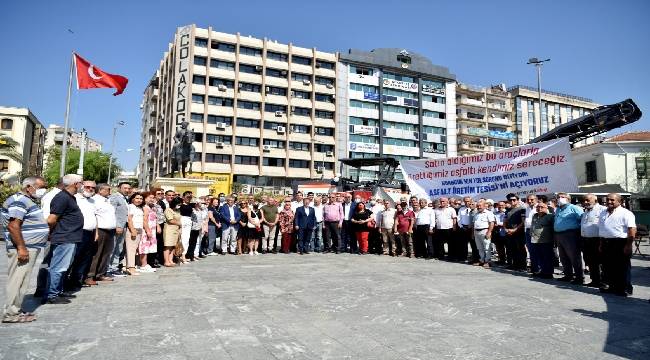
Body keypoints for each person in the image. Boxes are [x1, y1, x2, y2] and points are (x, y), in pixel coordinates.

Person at [1, 176, 48, 323]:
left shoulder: (25, 200)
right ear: (29, 187)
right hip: (23, 247)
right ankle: (11, 314)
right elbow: (13, 226)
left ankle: (15, 309)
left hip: (28, 246)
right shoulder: (18, 201)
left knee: (22, 280)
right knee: (18, 280)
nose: (42, 190)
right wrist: (21, 248)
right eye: (40, 187)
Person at [45, 174, 84, 304]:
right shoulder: (62, 197)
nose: (82, 185)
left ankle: (58, 291)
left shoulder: (69, 197)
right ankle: (52, 294)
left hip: (70, 237)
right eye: (81, 183)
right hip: (64, 237)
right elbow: (51, 219)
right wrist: (52, 233)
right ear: (75, 184)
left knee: (64, 267)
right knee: (58, 267)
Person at [599, 193, 636, 296]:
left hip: (620, 243)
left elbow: (632, 229)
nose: (609, 202)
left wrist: (628, 245)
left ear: (620, 202)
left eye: (612, 200)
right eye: (608, 200)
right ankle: (612, 287)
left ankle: (625, 288)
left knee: (622, 267)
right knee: (608, 266)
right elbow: (602, 229)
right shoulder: (603, 213)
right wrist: (601, 244)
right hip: (606, 242)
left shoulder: (626, 213)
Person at [68, 181, 98, 289]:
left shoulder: (93, 201)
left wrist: (96, 232)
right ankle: (68, 282)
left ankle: (77, 281)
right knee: (75, 257)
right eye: (87, 187)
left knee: (86, 258)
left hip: (91, 232)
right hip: (79, 232)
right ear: (82, 187)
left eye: (93, 188)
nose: (90, 189)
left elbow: (95, 217)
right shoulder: (75, 198)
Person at [87, 183, 116, 283]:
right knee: (97, 253)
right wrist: (96, 232)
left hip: (110, 230)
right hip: (100, 230)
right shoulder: (94, 200)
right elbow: (94, 216)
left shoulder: (107, 201)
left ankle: (101, 273)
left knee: (106, 253)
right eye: (108, 190)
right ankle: (90, 275)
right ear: (100, 190)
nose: (110, 192)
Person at [553, 192, 585, 284]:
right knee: (563, 257)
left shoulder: (574, 208)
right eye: (558, 197)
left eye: (562, 197)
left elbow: (582, 220)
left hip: (571, 234)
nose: (560, 198)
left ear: (568, 199)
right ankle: (568, 275)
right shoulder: (558, 209)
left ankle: (579, 277)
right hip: (559, 235)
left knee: (574, 256)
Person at [580, 193, 606, 287]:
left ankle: (604, 281)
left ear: (595, 200)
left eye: (587, 200)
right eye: (584, 200)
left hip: (597, 240)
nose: (585, 202)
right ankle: (595, 280)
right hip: (586, 240)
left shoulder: (602, 210)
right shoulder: (585, 212)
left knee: (601, 262)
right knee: (590, 261)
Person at [108, 182, 132, 276]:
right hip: (117, 227)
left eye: (128, 188)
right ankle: (108, 268)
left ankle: (114, 267)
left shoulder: (124, 198)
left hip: (123, 226)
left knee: (119, 248)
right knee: (112, 248)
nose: (127, 190)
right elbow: (112, 212)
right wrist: (117, 225)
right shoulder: (114, 197)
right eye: (125, 188)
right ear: (119, 188)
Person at [530, 201, 555, 279]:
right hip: (535, 240)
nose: (539, 209)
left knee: (547, 257)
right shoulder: (535, 215)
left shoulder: (550, 216)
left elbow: (553, 228)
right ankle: (543, 271)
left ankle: (548, 273)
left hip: (546, 240)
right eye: (538, 207)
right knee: (540, 257)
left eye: (542, 207)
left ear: (546, 208)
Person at [504, 194, 526, 271]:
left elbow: (523, 222)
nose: (512, 201)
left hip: (519, 232)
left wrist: (515, 229)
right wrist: (505, 229)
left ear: (517, 200)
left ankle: (522, 266)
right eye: (510, 200)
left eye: (514, 200)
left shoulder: (522, 209)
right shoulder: (508, 210)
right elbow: (505, 221)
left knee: (520, 249)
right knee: (512, 249)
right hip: (509, 232)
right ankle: (515, 265)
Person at [124, 193, 145, 276]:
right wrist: (132, 230)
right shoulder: (131, 206)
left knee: (132, 249)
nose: (139, 200)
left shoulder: (140, 208)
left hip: (139, 230)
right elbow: (129, 219)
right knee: (131, 249)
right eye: (137, 198)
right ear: (133, 199)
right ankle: (131, 268)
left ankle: (125, 266)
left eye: (141, 198)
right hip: (133, 230)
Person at [138, 192, 159, 272]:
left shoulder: (151, 207)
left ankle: (145, 264)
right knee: (144, 246)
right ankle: (143, 264)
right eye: (150, 197)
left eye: (153, 197)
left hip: (152, 230)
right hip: (147, 230)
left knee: (149, 247)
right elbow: (145, 220)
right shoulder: (145, 208)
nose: (152, 199)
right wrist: (148, 230)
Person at [472, 199, 496, 268]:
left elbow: (492, 223)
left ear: (485, 206)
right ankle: (482, 260)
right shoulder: (476, 214)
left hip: (485, 231)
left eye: (480, 206)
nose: (479, 207)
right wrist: (473, 233)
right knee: (480, 248)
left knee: (487, 247)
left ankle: (488, 261)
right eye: (478, 206)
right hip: (476, 232)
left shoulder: (489, 213)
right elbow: (474, 224)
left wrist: (489, 232)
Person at [163, 197, 182, 267]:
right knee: (168, 246)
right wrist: (180, 223)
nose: (179, 206)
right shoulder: (168, 210)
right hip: (169, 229)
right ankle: (166, 261)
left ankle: (171, 260)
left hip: (176, 230)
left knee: (173, 246)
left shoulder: (177, 211)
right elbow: (170, 220)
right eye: (178, 204)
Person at [454, 197, 473, 262]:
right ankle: (463, 257)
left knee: (473, 244)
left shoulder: (473, 208)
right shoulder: (461, 209)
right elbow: (458, 219)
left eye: (468, 201)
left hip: (471, 228)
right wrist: (461, 226)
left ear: (471, 201)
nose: (467, 203)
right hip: (463, 228)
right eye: (465, 201)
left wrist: (471, 226)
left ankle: (474, 258)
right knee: (463, 244)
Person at [524, 195, 539, 274]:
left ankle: (538, 267)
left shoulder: (539, 207)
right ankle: (534, 268)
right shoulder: (528, 208)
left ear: (536, 200)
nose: (530, 201)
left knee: (537, 250)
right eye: (528, 200)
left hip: (536, 231)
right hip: (528, 231)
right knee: (531, 250)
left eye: (532, 199)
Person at [178, 191, 194, 262]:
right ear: (183, 197)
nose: (189, 198)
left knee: (187, 239)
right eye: (187, 197)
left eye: (190, 197)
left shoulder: (191, 205)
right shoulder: (180, 205)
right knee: (182, 239)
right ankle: (181, 255)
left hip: (189, 221)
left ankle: (184, 255)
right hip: (182, 220)